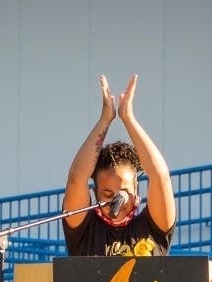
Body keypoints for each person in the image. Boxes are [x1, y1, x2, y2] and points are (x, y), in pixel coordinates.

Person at [63, 74, 176, 257]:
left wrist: (128, 118)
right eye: (108, 194)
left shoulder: (153, 227)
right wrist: (105, 119)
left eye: (123, 193)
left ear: (136, 188)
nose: (117, 201)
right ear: (95, 192)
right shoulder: (85, 230)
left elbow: (160, 178)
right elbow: (77, 179)